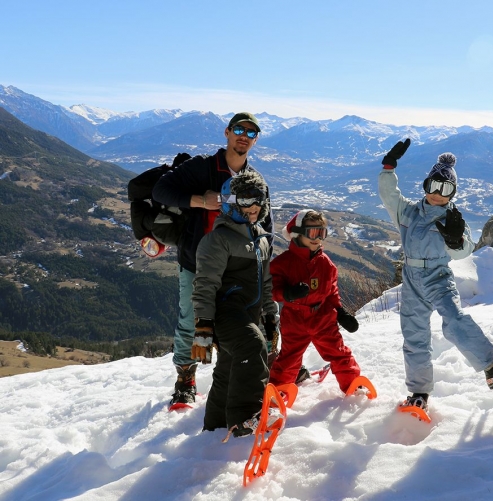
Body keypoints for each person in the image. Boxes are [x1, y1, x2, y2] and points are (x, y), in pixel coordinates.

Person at [152, 112, 273, 408]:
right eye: (239, 130)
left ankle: (227, 381)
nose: (244, 136)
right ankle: (185, 381)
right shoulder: (203, 167)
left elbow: (265, 223)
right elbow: (161, 190)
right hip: (197, 260)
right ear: (227, 132)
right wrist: (198, 199)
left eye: (251, 133)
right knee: (190, 322)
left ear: (255, 140)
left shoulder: (254, 180)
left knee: (237, 322)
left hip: (237, 268)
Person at [378, 139, 493, 413]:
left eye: (445, 188)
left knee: (454, 320)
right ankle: (419, 392)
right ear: (425, 186)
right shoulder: (409, 213)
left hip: (438, 276)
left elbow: (464, 252)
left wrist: (456, 240)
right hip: (412, 279)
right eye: (432, 186)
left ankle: (492, 365)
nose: (437, 193)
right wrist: (388, 168)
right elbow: (389, 195)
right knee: (414, 335)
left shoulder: (453, 219)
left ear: (453, 193)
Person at [191, 170, 278, 436]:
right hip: (225, 314)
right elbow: (205, 285)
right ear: (231, 201)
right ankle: (246, 418)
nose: (253, 207)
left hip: (248, 313)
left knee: (228, 369)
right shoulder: (218, 240)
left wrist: (271, 320)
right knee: (251, 345)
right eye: (245, 200)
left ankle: (214, 427)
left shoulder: (262, 239)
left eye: (258, 200)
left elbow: (265, 285)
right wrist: (203, 326)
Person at [268, 210, 362, 393]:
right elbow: (271, 289)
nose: (318, 238)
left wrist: (340, 312)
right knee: (289, 358)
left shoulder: (325, 263)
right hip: (294, 318)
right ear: (297, 233)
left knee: (339, 352)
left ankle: (352, 385)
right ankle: (278, 391)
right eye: (313, 233)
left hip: (322, 317)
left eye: (322, 233)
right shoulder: (283, 263)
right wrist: (288, 294)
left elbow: (331, 290)